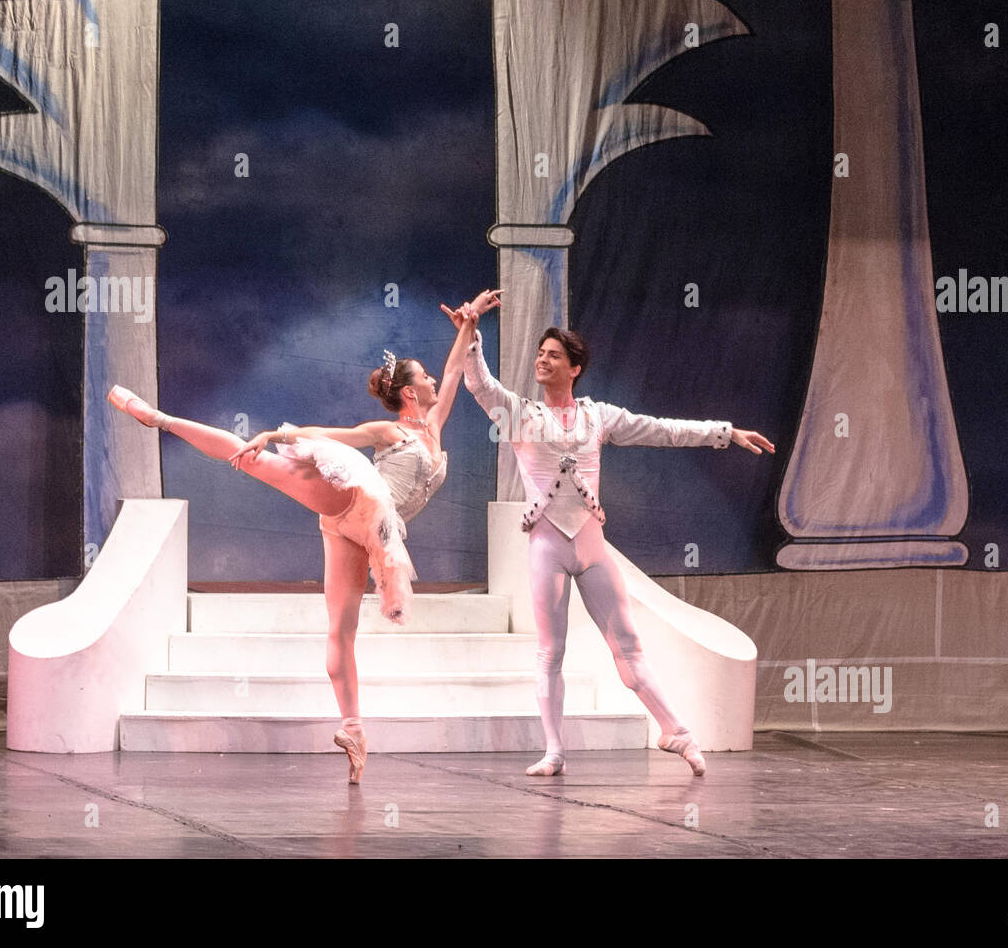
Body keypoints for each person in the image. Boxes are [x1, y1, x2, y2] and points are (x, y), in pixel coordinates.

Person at [106, 289, 500, 783]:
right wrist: (276, 434)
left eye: (428, 374)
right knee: (257, 461)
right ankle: (159, 418)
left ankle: (353, 731)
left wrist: (469, 324)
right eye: (424, 376)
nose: (432, 380)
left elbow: (456, 372)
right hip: (354, 499)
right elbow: (330, 433)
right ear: (408, 393)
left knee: (341, 629)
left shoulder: (434, 425)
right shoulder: (389, 430)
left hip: (366, 535)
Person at [446, 295, 774, 777]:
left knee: (628, 645)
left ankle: (674, 731)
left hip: (591, 546)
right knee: (550, 651)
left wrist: (724, 432)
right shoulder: (519, 414)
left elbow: (663, 430)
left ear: (574, 367)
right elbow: (479, 383)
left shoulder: (599, 417)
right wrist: (470, 331)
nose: (542, 359)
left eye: (553, 354)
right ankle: (554, 750)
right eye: (540, 352)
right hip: (548, 547)